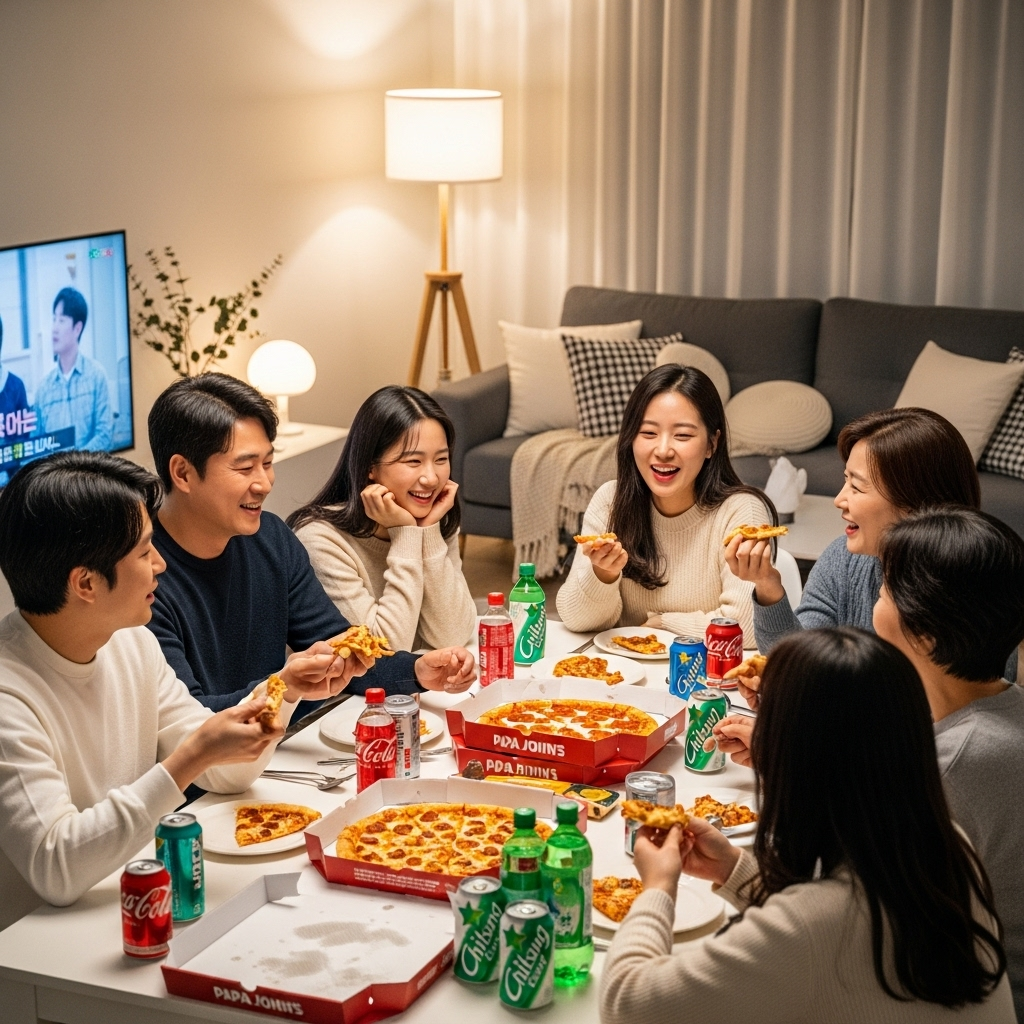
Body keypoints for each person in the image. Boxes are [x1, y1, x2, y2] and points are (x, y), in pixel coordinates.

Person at [0, 452, 343, 932]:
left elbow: (229, 775)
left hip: (136, 897)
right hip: (38, 946)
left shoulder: (130, 641)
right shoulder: (9, 695)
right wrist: (188, 760)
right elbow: (56, 867)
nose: (160, 563)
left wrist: (283, 692)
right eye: (144, 552)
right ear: (85, 583)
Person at [601, 628, 1014, 1024]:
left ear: (793, 760)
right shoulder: (945, 847)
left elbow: (627, 1005)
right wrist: (733, 869)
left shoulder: (810, 930)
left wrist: (657, 889)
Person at [146, 373, 476, 713]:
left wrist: (417, 671)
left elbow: (343, 649)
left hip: (284, 745)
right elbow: (185, 719)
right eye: (245, 468)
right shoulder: (142, 575)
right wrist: (282, 688)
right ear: (183, 473)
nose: (264, 483)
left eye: (268, 463)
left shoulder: (270, 538)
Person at [724, 407, 1016, 708]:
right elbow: (799, 658)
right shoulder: (844, 557)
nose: (839, 500)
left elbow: (965, 717)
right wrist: (768, 585)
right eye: (844, 479)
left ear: (917, 504)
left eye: (857, 486)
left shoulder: (975, 586)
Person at [872, 507, 1024, 1017]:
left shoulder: (951, 765)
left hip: (962, 1000)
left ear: (927, 636)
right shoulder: (1006, 707)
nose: (876, 602)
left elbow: (857, 912)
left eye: (886, 590)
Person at [556, 364, 775, 638]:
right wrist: (603, 575)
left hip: (705, 676)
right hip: (621, 674)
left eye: (683, 435)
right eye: (648, 433)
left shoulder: (742, 513)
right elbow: (577, 620)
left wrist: (663, 624)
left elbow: (748, 626)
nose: (662, 451)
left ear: (712, 444)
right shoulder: (610, 502)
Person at [289, 385, 475, 652]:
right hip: (355, 692)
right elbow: (381, 650)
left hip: (421, 686)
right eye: (413, 462)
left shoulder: (435, 520)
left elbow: (452, 636)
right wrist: (406, 535)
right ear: (370, 468)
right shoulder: (322, 540)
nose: (432, 478)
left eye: (441, 459)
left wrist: (428, 533)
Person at [34, 287, 113, 452]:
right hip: (53, 478)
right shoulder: (43, 389)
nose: (54, 328)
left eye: (61, 320)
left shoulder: (96, 376)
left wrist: (73, 468)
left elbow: (104, 435)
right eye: (54, 319)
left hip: (89, 474)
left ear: (77, 328)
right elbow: (37, 446)